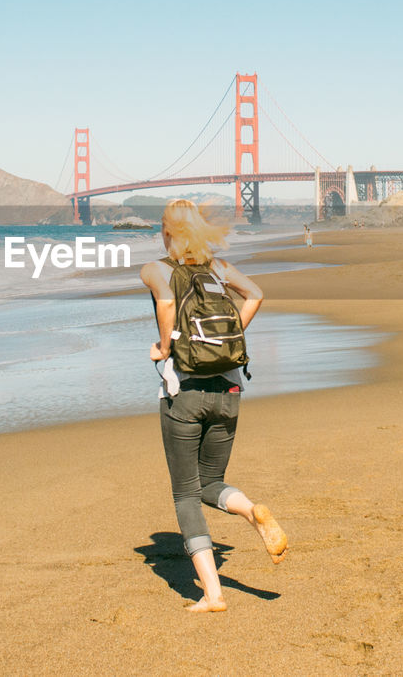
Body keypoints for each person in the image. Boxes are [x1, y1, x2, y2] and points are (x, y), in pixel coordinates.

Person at [140, 199, 288, 613]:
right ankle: (250, 510)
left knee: (186, 495)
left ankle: (213, 593)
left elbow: (167, 303)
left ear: (166, 232)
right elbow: (256, 294)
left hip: (184, 395)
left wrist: (165, 348)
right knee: (210, 483)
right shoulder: (220, 268)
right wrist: (228, 337)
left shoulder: (156, 269)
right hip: (229, 393)